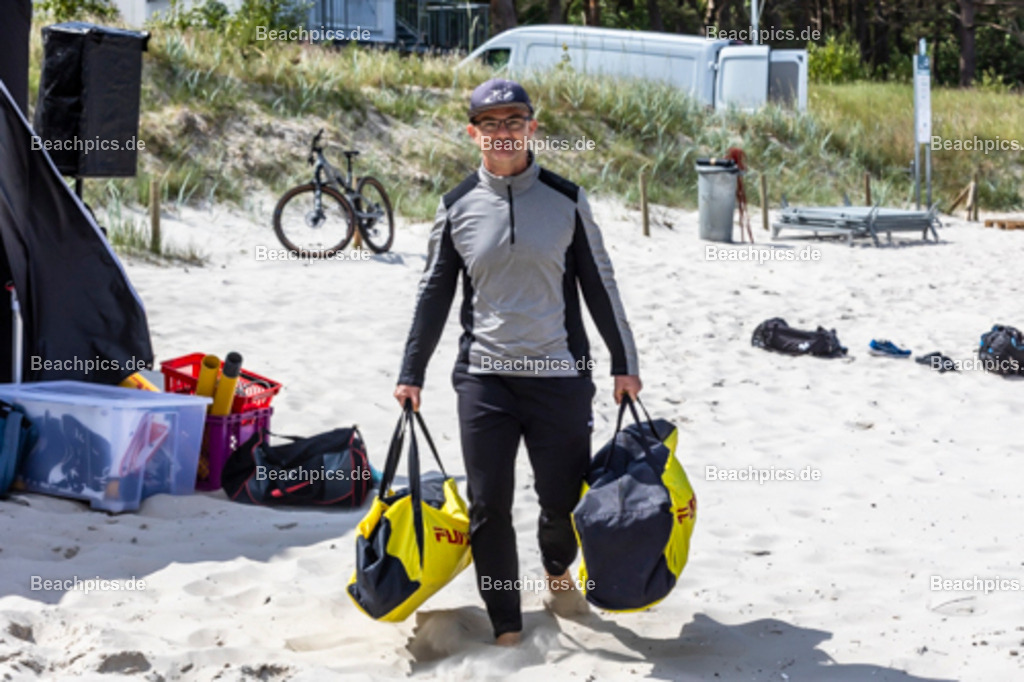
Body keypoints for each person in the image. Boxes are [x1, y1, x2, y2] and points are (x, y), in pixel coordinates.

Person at [394, 78, 641, 646]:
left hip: (559, 377)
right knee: (489, 506)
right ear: (472, 133)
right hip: (485, 379)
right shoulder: (456, 206)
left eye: (513, 122)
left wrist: (623, 363)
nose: (502, 133)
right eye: (490, 124)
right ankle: (506, 624)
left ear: (532, 128)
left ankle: (556, 573)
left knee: (562, 501)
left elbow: (600, 286)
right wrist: (411, 373)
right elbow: (433, 293)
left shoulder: (566, 200)